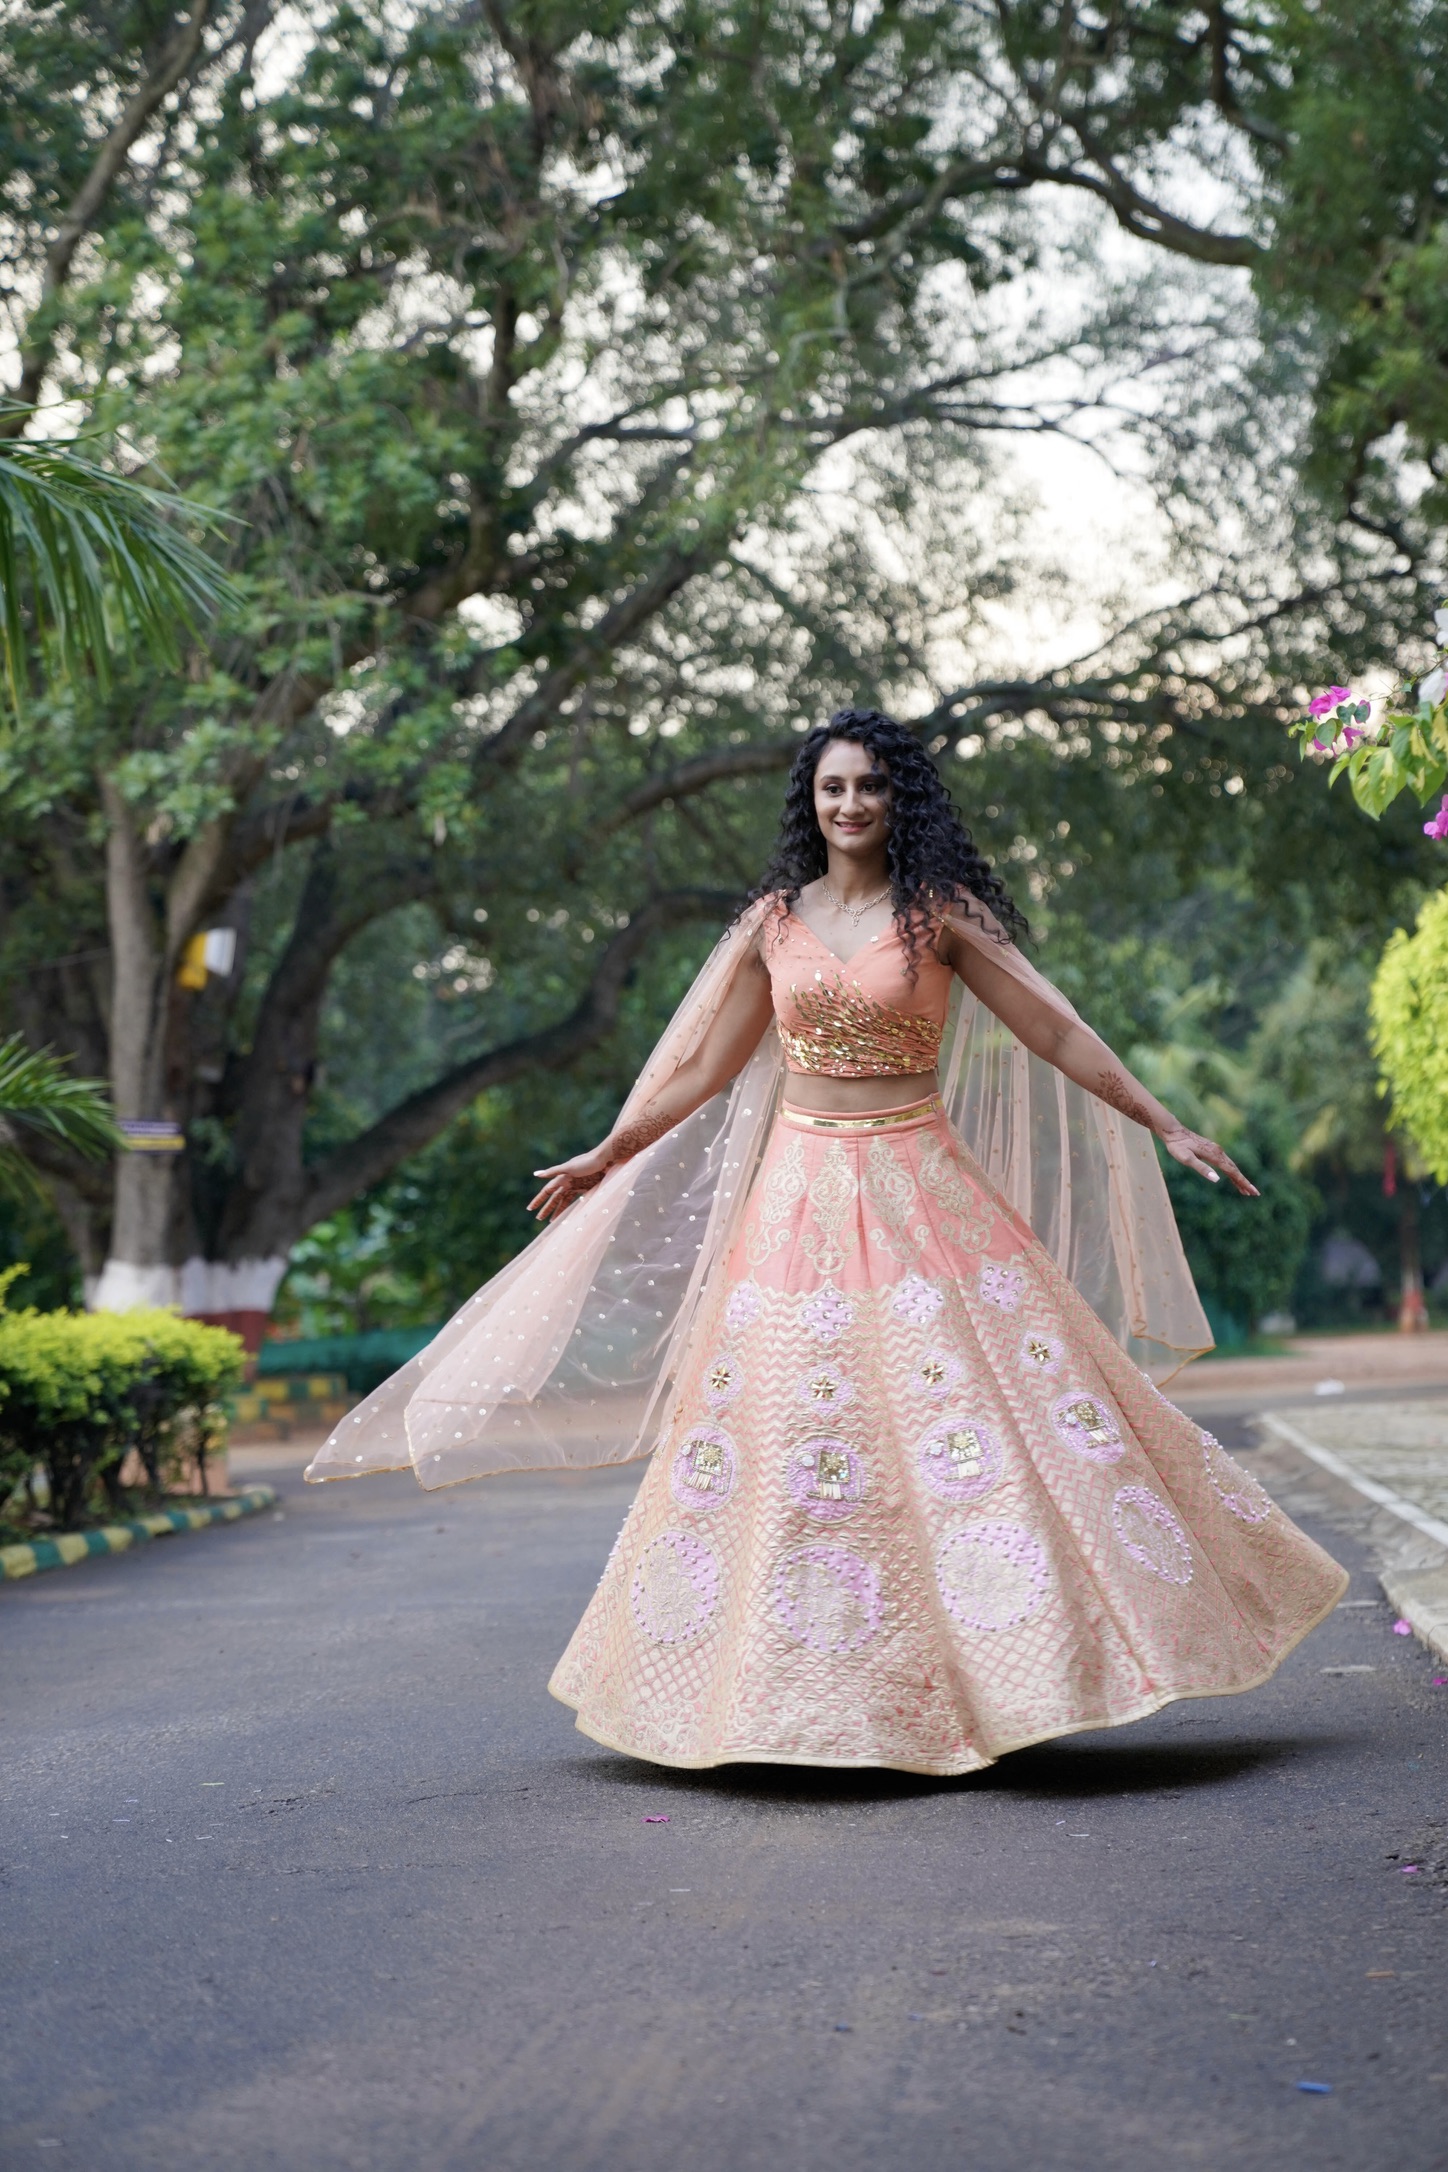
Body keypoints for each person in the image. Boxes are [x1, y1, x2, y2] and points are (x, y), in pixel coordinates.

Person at [307, 708, 1347, 1774]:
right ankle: (796, 1699)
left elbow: (1053, 1029)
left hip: (918, 1189)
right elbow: (705, 1068)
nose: (849, 804)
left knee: (968, 1424)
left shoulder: (936, 913)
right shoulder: (771, 921)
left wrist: (1163, 1121)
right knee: (802, 1435)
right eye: (832, 788)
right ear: (809, 802)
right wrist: (606, 1153)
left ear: (902, 801)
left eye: (870, 787)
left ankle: (1016, 1675)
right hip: (799, 1199)